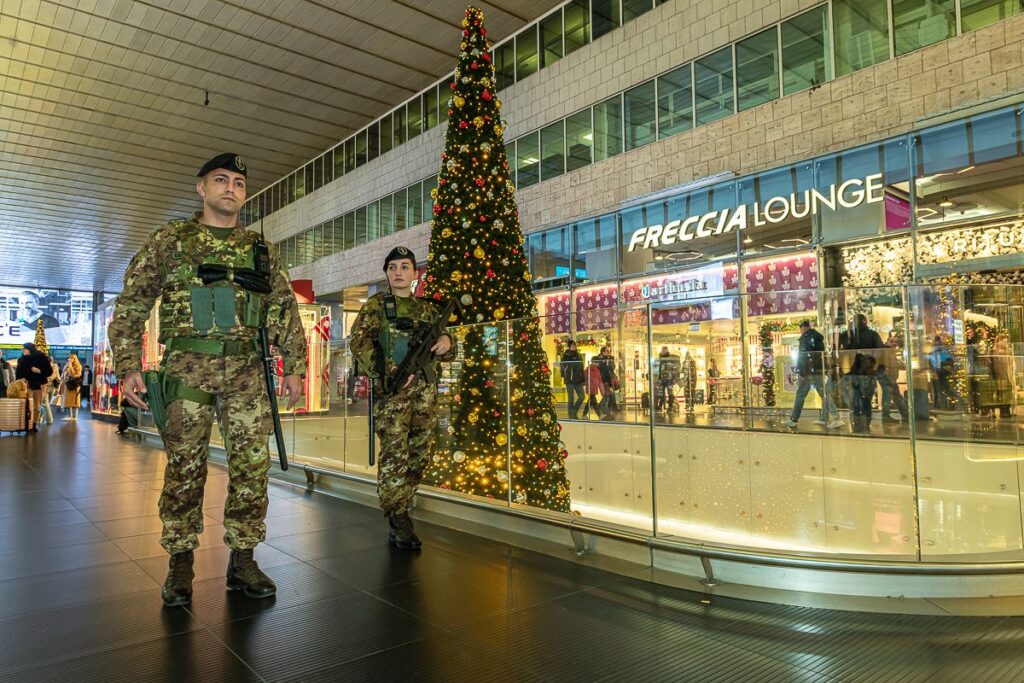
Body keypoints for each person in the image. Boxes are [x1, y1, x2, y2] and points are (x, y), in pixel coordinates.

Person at [109, 153, 307, 608]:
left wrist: (293, 366)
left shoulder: (260, 249)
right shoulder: (171, 241)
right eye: (221, 180)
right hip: (186, 371)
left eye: (239, 182)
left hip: (246, 374)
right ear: (201, 188)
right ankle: (180, 562)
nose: (231, 188)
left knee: (252, 469)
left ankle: (243, 558)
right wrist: (127, 365)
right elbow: (133, 302)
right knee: (184, 468)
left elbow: (283, 310)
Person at [349, 246, 456, 550]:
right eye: (393, 267)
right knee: (395, 455)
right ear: (386, 273)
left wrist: (448, 341)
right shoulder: (376, 307)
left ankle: (405, 503)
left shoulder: (429, 310)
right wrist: (385, 372)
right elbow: (358, 342)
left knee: (419, 454)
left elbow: (448, 348)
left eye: (404, 267)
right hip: (393, 395)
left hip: (425, 396)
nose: (398, 272)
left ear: (414, 273)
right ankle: (397, 517)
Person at [784, 320, 842, 429]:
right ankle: (830, 417)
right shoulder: (817, 337)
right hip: (817, 371)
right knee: (824, 394)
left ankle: (794, 419)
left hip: (808, 373)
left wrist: (801, 372)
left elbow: (804, 358)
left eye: (800, 329)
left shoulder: (806, 338)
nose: (800, 331)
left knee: (801, 395)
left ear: (804, 328)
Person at [15, 342, 52, 432]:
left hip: (39, 386)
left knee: (37, 406)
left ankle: (33, 424)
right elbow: (18, 373)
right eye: (22, 349)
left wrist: (40, 371)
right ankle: (27, 424)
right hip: (26, 386)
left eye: (24, 349)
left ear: (30, 349)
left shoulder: (41, 358)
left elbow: (49, 371)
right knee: (26, 406)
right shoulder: (22, 359)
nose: (23, 350)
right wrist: (20, 380)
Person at [848, 353, 878, 433]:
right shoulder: (859, 371)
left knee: (862, 408)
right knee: (860, 408)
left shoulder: (868, 371)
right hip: (859, 392)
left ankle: (861, 427)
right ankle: (860, 426)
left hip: (864, 392)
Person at [559, 340, 585, 419]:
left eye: (575, 345)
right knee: (571, 398)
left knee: (581, 396)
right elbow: (564, 366)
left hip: (578, 379)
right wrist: (564, 375)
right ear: (569, 346)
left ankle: (574, 411)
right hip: (570, 379)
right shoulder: (566, 355)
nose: (574, 347)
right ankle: (571, 416)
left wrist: (583, 378)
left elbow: (581, 367)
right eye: (573, 345)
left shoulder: (579, 355)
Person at [594, 346, 619, 416]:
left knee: (610, 395)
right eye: (607, 351)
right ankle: (604, 409)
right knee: (607, 395)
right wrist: (604, 363)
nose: (608, 352)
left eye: (608, 351)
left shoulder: (608, 358)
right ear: (603, 352)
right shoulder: (599, 359)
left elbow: (611, 368)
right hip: (603, 379)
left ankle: (608, 409)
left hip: (608, 378)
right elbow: (600, 369)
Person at [656, 347, 680, 413]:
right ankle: (660, 406)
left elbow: (675, 368)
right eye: (663, 350)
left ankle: (670, 406)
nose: (663, 351)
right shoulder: (659, 359)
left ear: (667, 350)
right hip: (661, 379)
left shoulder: (670, 359)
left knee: (670, 393)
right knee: (661, 393)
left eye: (665, 350)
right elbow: (656, 369)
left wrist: (675, 378)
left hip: (669, 379)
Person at [61, 353, 83, 421]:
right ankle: (69, 415)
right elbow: (63, 375)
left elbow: (73, 375)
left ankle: (74, 416)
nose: (69, 359)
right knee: (68, 401)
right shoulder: (66, 365)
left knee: (75, 401)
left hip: (74, 385)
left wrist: (70, 367)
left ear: (75, 359)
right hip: (67, 385)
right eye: (69, 358)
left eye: (71, 358)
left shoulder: (78, 366)